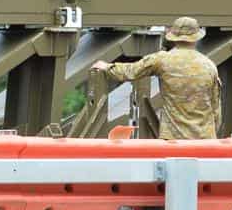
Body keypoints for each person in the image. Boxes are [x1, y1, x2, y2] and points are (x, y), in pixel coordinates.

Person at [92, 16, 222, 139]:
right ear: (196, 38)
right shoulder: (209, 66)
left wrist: (107, 67)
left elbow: (131, 71)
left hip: (173, 139)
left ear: (173, 37)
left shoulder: (162, 60)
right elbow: (216, 110)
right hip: (205, 140)